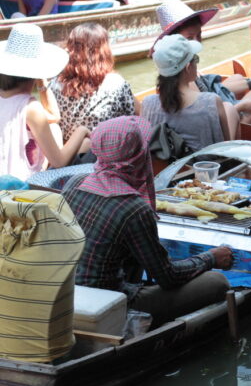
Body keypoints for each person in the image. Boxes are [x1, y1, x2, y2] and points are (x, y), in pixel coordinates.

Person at [62, 116, 233, 328]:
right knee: (217, 283)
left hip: (66, 292)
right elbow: (168, 276)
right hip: (110, 304)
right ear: (138, 156)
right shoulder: (133, 209)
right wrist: (211, 258)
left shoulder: (75, 183)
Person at [155, 0, 251, 127]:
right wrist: (240, 106)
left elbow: (212, 92)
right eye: (189, 38)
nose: (197, 42)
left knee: (238, 78)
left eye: (199, 35)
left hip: (215, 115)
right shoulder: (185, 74)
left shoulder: (174, 66)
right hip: (218, 129)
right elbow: (205, 118)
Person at [0, 23, 90, 179]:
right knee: (86, 145)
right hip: (21, 188)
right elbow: (59, 162)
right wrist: (81, 131)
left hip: (6, 181)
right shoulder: (30, 108)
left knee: (54, 128)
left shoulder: (11, 101)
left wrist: (42, 83)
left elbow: (54, 116)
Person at [141, 34, 238, 152]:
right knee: (230, 109)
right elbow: (225, 149)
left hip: (167, 169)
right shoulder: (211, 101)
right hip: (209, 169)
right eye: (195, 59)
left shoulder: (147, 103)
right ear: (188, 67)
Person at [49, 23, 136, 137]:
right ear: (103, 51)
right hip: (103, 151)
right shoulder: (116, 83)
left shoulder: (55, 83)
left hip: (67, 151)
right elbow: (132, 116)